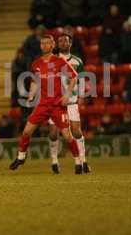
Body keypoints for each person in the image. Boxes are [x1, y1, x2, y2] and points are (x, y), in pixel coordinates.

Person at [9, 34, 82, 174]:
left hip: (57, 105)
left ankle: (78, 161)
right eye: (42, 43)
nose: (44, 45)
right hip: (43, 105)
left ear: (52, 45)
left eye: (47, 43)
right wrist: (31, 95)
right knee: (26, 131)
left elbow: (74, 77)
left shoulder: (59, 61)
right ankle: (21, 157)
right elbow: (35, 81)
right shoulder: (36, 64)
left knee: (67, 135)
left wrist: (67, 95)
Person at [47, 34, 90, 174]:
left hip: (71, 101)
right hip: (55, 102)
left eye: (66, 40)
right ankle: (54, 161)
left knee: (76, 131)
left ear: (70, 43)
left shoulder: (77, 61)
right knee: (53, 133)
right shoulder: (52, 60)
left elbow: (82, 79)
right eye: (60, 41)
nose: (63, 43)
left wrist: (82, 95)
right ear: (57, 44)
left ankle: (83, 161)